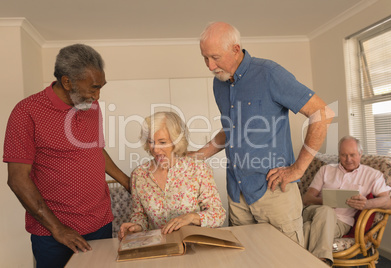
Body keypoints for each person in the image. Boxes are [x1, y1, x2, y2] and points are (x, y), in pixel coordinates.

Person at [196, 21, 332, 245]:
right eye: (205, 57)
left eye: (215, 57)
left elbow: (322, 113)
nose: (210, 66)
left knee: (287, 260)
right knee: (245, 259)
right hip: (237, 193)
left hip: (274, 192)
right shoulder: (218, 84)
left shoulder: (269, 73)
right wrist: (198, 155)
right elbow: (232, 129)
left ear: (235, 49)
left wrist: (297, 169)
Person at [3, 44, 130, 268]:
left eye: (101, 87)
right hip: (54, 233)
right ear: (67, 82)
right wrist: (57, 229)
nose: (98, 95)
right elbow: (17, 179)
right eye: (93, 87)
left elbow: (95, 149)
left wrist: (127, 182)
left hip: (100, 222)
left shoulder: (90, 105)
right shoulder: (26, 112)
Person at [119, 112, 225, 238]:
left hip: (195, 245)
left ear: (177, 142)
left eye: (162, 142)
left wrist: (191, 217)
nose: (155, 149)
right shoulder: (139, 175)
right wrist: (136, 226)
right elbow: (139, 215)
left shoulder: (198, 169)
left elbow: (218, 215)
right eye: (151, 142)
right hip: (159, 247)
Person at [302, 136, 391, 266]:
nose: (348, 159)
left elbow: (387, 201)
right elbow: (307, 199)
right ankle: (321, 263)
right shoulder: (326, 170)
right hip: (313, 212)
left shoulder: (373, 175)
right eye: (344, 155)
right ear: (339, 154)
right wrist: (327, 201)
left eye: (352, 155)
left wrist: (367, 204)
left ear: (360, 154)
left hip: (341, 223)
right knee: (326, 210)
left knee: (307, 229)